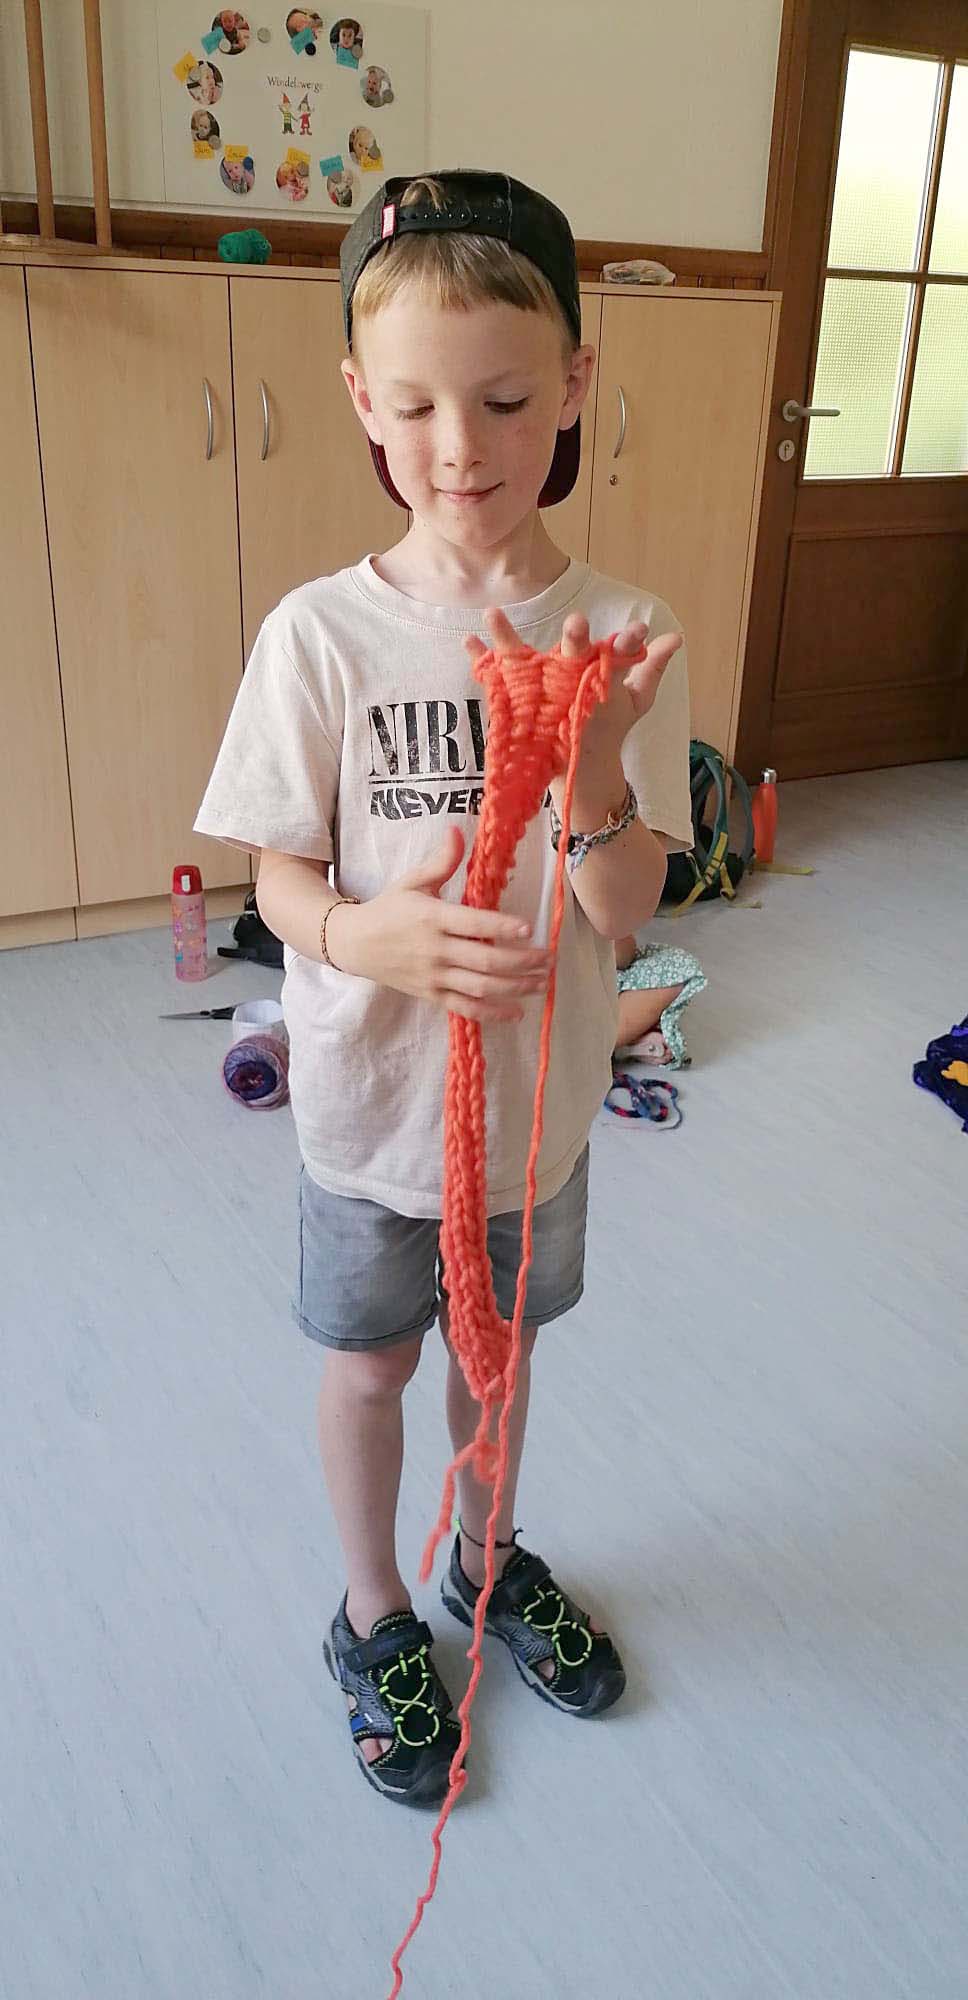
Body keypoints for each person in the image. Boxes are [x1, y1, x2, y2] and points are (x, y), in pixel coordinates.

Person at [195, 170, 692, 1808]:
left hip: (537, 1116)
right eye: (412, 407)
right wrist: (361, 938)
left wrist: (599, 767)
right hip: (370, 1115)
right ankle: (371, 1613)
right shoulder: (319, 636)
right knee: (373, 1367)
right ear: (360, 399)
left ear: (576, 386)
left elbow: (628, 906)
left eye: (504, 401)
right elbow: (274, 881)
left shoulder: (622, 629)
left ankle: (485, 1559)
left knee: (500, 1359)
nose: (460, 448)